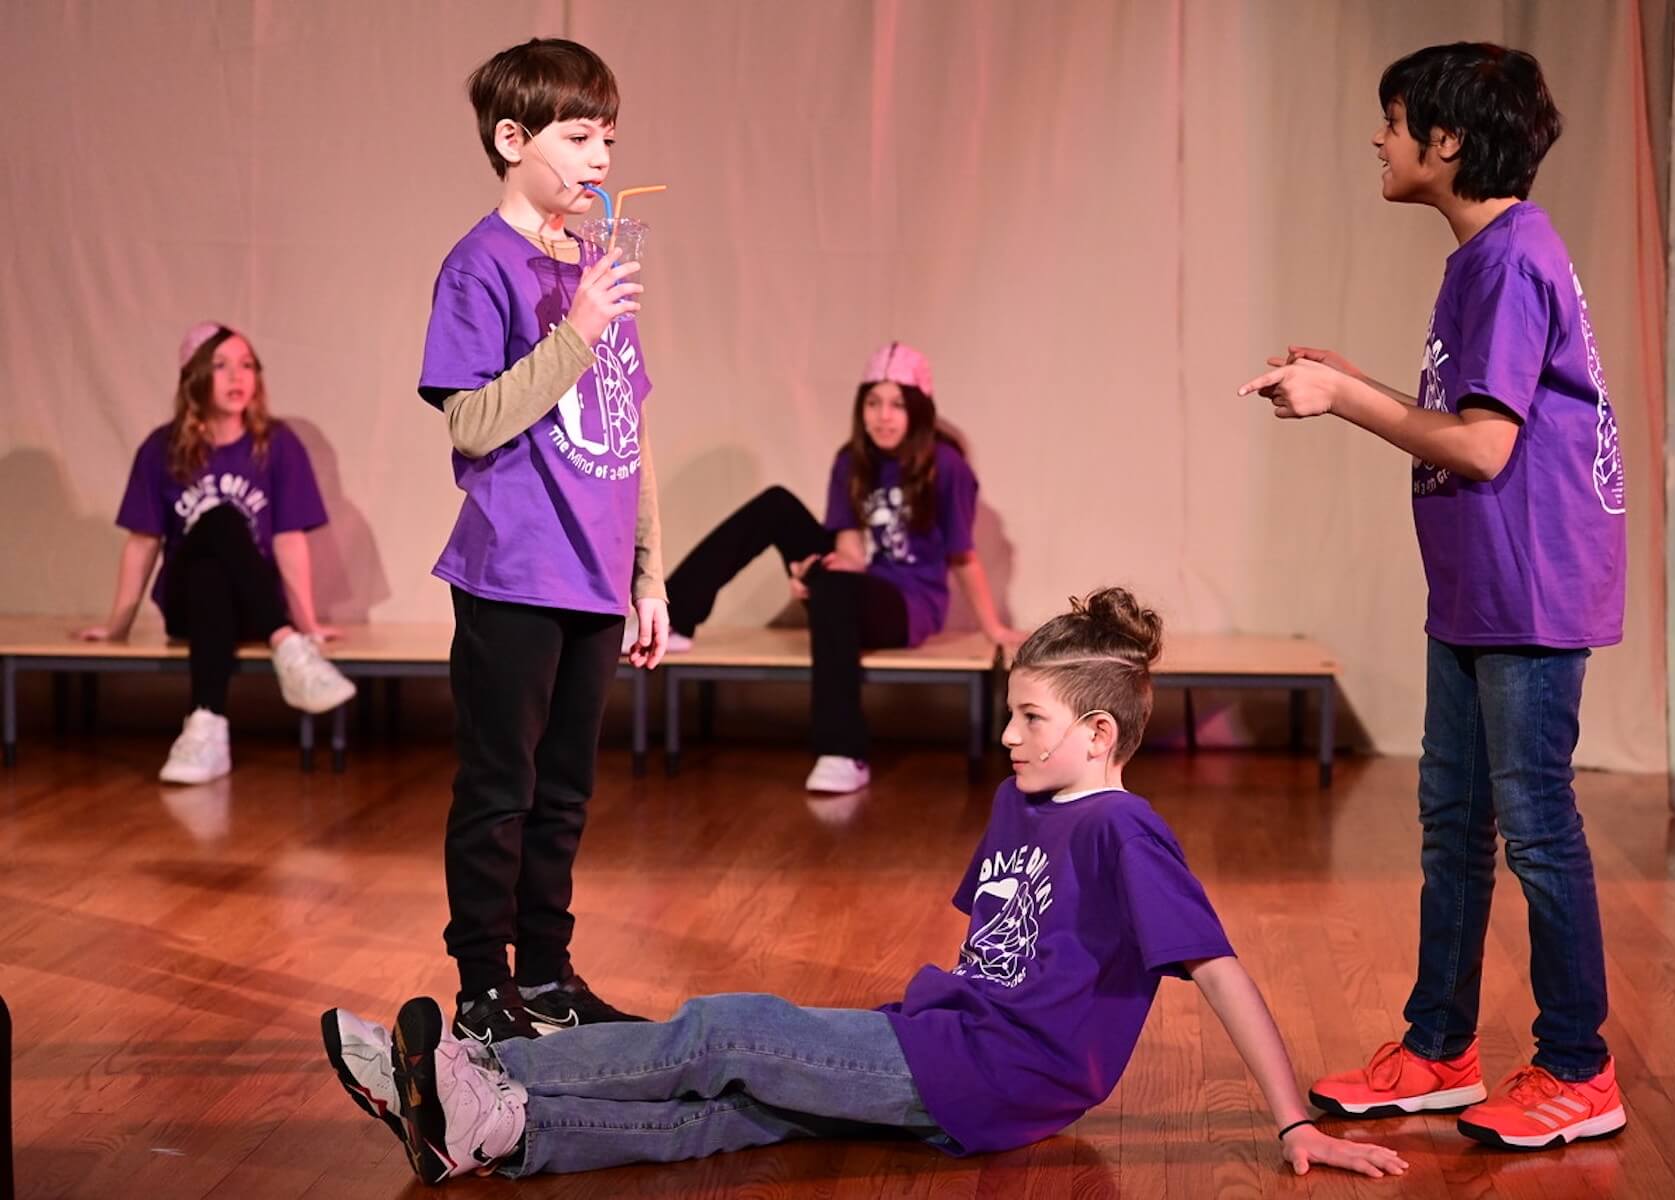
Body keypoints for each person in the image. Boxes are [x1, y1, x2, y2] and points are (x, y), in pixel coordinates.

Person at [321, 588, 1407, 1184]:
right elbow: (996, 955)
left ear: (1101, 732)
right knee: (739, 1110)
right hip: (945, 1041)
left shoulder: (1125, 830)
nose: (1008, 733)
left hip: (991, 1075)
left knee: (729, 1033)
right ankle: (503, 1133)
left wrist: (1290, 1124)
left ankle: (477, 1067)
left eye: (1031, 718)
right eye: (1011, 711)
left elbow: (1220, 972)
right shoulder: (1021, 804)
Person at [1239, 42, 1628, 1150]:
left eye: (1394, 118)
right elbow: (1476, 420)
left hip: (1530, 589)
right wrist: (1352, 378)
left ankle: (1577, 1068)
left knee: (1535, 830)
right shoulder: (1486, 257)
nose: (1379, 136)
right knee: (1453, 822)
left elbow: (1486, 448)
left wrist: (1342, 399)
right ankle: (1441, 1047)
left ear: (1446, 141)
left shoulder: (1510, 258)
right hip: (1478, 586)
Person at [415, 37, 662, 1045]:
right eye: (577, 134)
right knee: (500, 790)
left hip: (597, 574)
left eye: (608, 135)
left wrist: (650, 573)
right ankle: (483, 989)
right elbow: (470, 422)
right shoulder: (479, 266)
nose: (599, 157)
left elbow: (634, 421)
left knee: (565, 792)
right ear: (512, 139)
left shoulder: (596, 260)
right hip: (515, 569)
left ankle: (549, 976)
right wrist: (575, 334)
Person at [662, 342, 1019, 793]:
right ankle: (675, 618)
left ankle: (842, 749)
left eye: (896, 405)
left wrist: (994, 628)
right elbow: (850, 552)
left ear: (918, 410)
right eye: (873, 403)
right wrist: (815, 572)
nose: (883, 416)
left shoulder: (945, 466)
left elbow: (962, 555)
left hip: (909, 605)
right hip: (857, 586)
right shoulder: (852, 461)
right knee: (776, 507)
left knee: (836, 588)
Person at [78, 322, 355, 784]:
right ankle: (289, 650)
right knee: (219, 523)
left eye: (247, 366)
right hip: (186, 607)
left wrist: (309, 622)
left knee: (214, 569)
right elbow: (144, 542)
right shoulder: (160, 448)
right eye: (221, 366)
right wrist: (117, 626)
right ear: (194, 377)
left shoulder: (278, 445)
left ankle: (206, 726)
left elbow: (289, 539)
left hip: (253, 605)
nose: (236, 378)